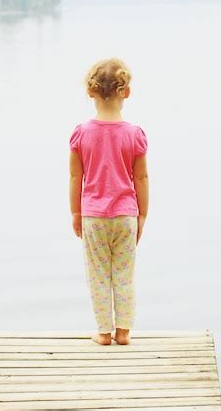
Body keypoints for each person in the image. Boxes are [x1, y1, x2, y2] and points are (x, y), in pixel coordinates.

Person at [69, 57, 149, 346]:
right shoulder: (134, 135)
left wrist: (76, 212)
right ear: (126, 92)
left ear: (90, 92)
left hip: (93, 216)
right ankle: (124, 331)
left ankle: (104, 332)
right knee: (124, 273)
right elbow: (141, 179)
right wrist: (142, 216)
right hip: (126, 215)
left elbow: (75, 176)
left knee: (99, 274)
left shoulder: (81, 134)